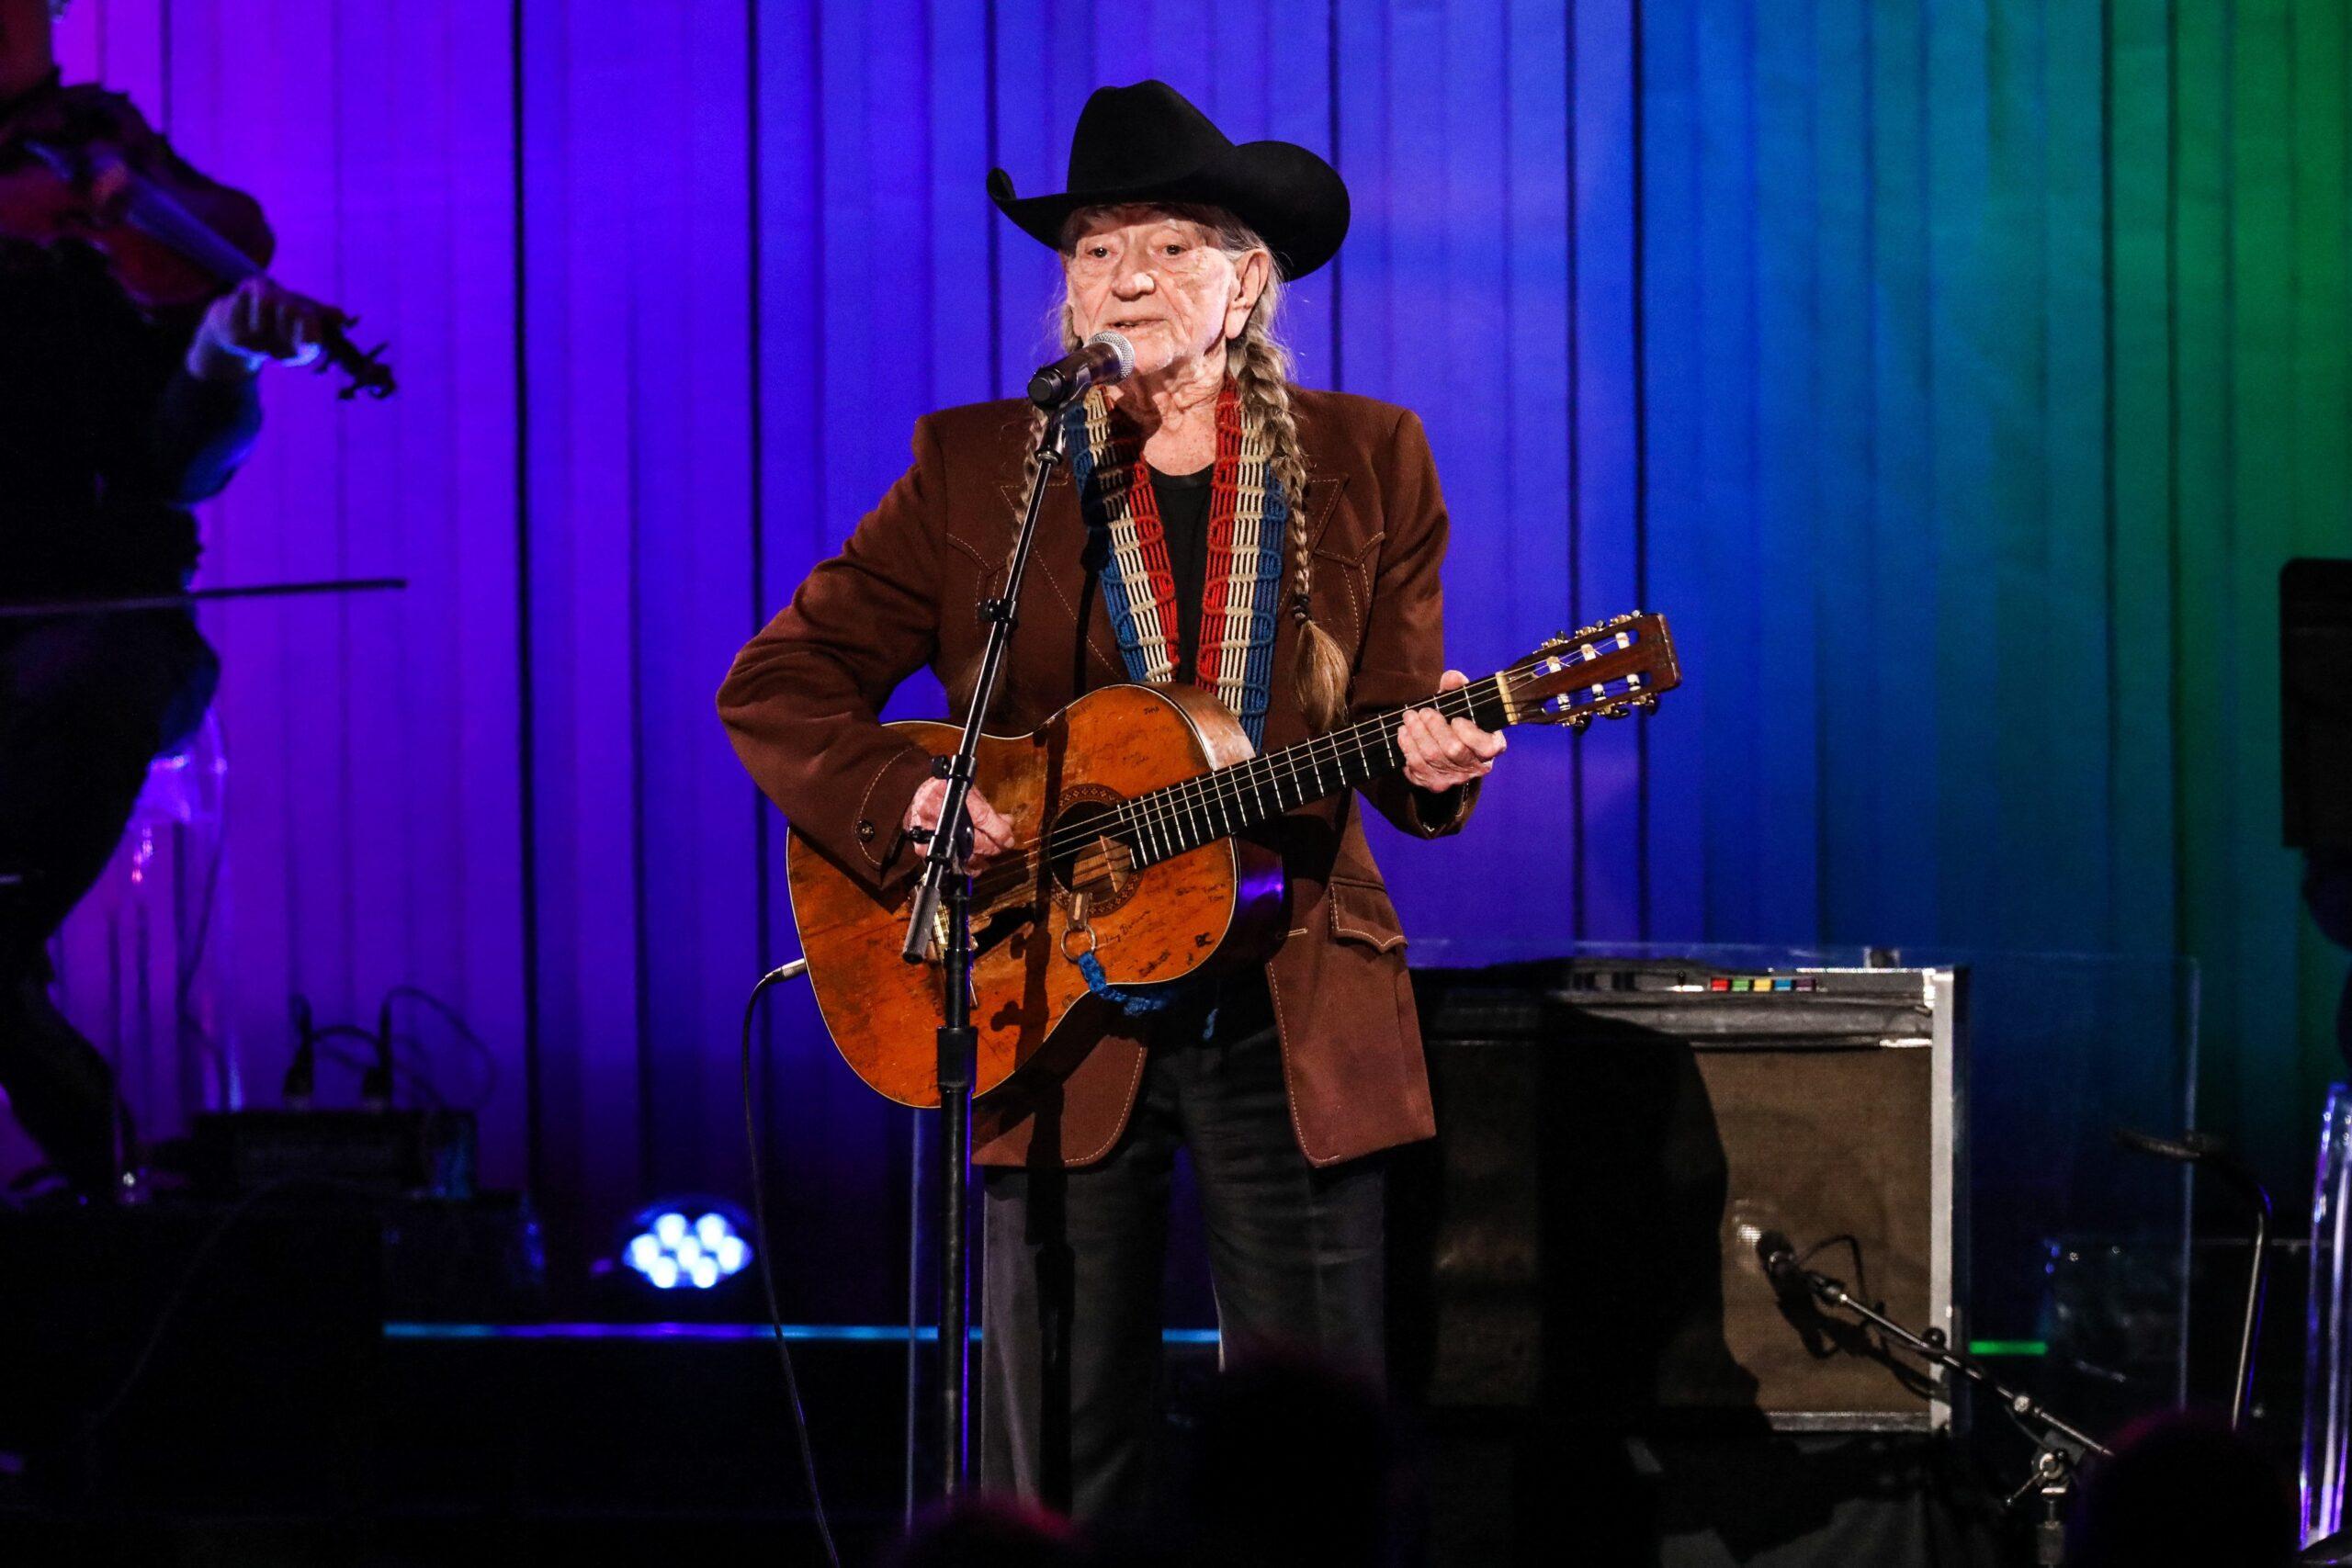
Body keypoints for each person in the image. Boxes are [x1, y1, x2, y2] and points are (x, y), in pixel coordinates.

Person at [719, 79, 1502, 1520]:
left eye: (1171, 243)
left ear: (1247, 282)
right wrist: (915, 790)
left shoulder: (1368, 454)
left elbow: (1394, 717)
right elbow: (782, 682)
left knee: (1314, 1440)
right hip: (1045, 986)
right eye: (1093, 247)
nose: (1126, 276)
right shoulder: (978, 468)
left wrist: (1431, 756)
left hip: (1291, 987)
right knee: (1062, 1443)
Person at [0, 0, 334, 1195]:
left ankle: (97, 1166)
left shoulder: (108, 201)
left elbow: (175, 473)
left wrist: (216, 360)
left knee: (93, 682)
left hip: (107, 629)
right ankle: (99, 1167)